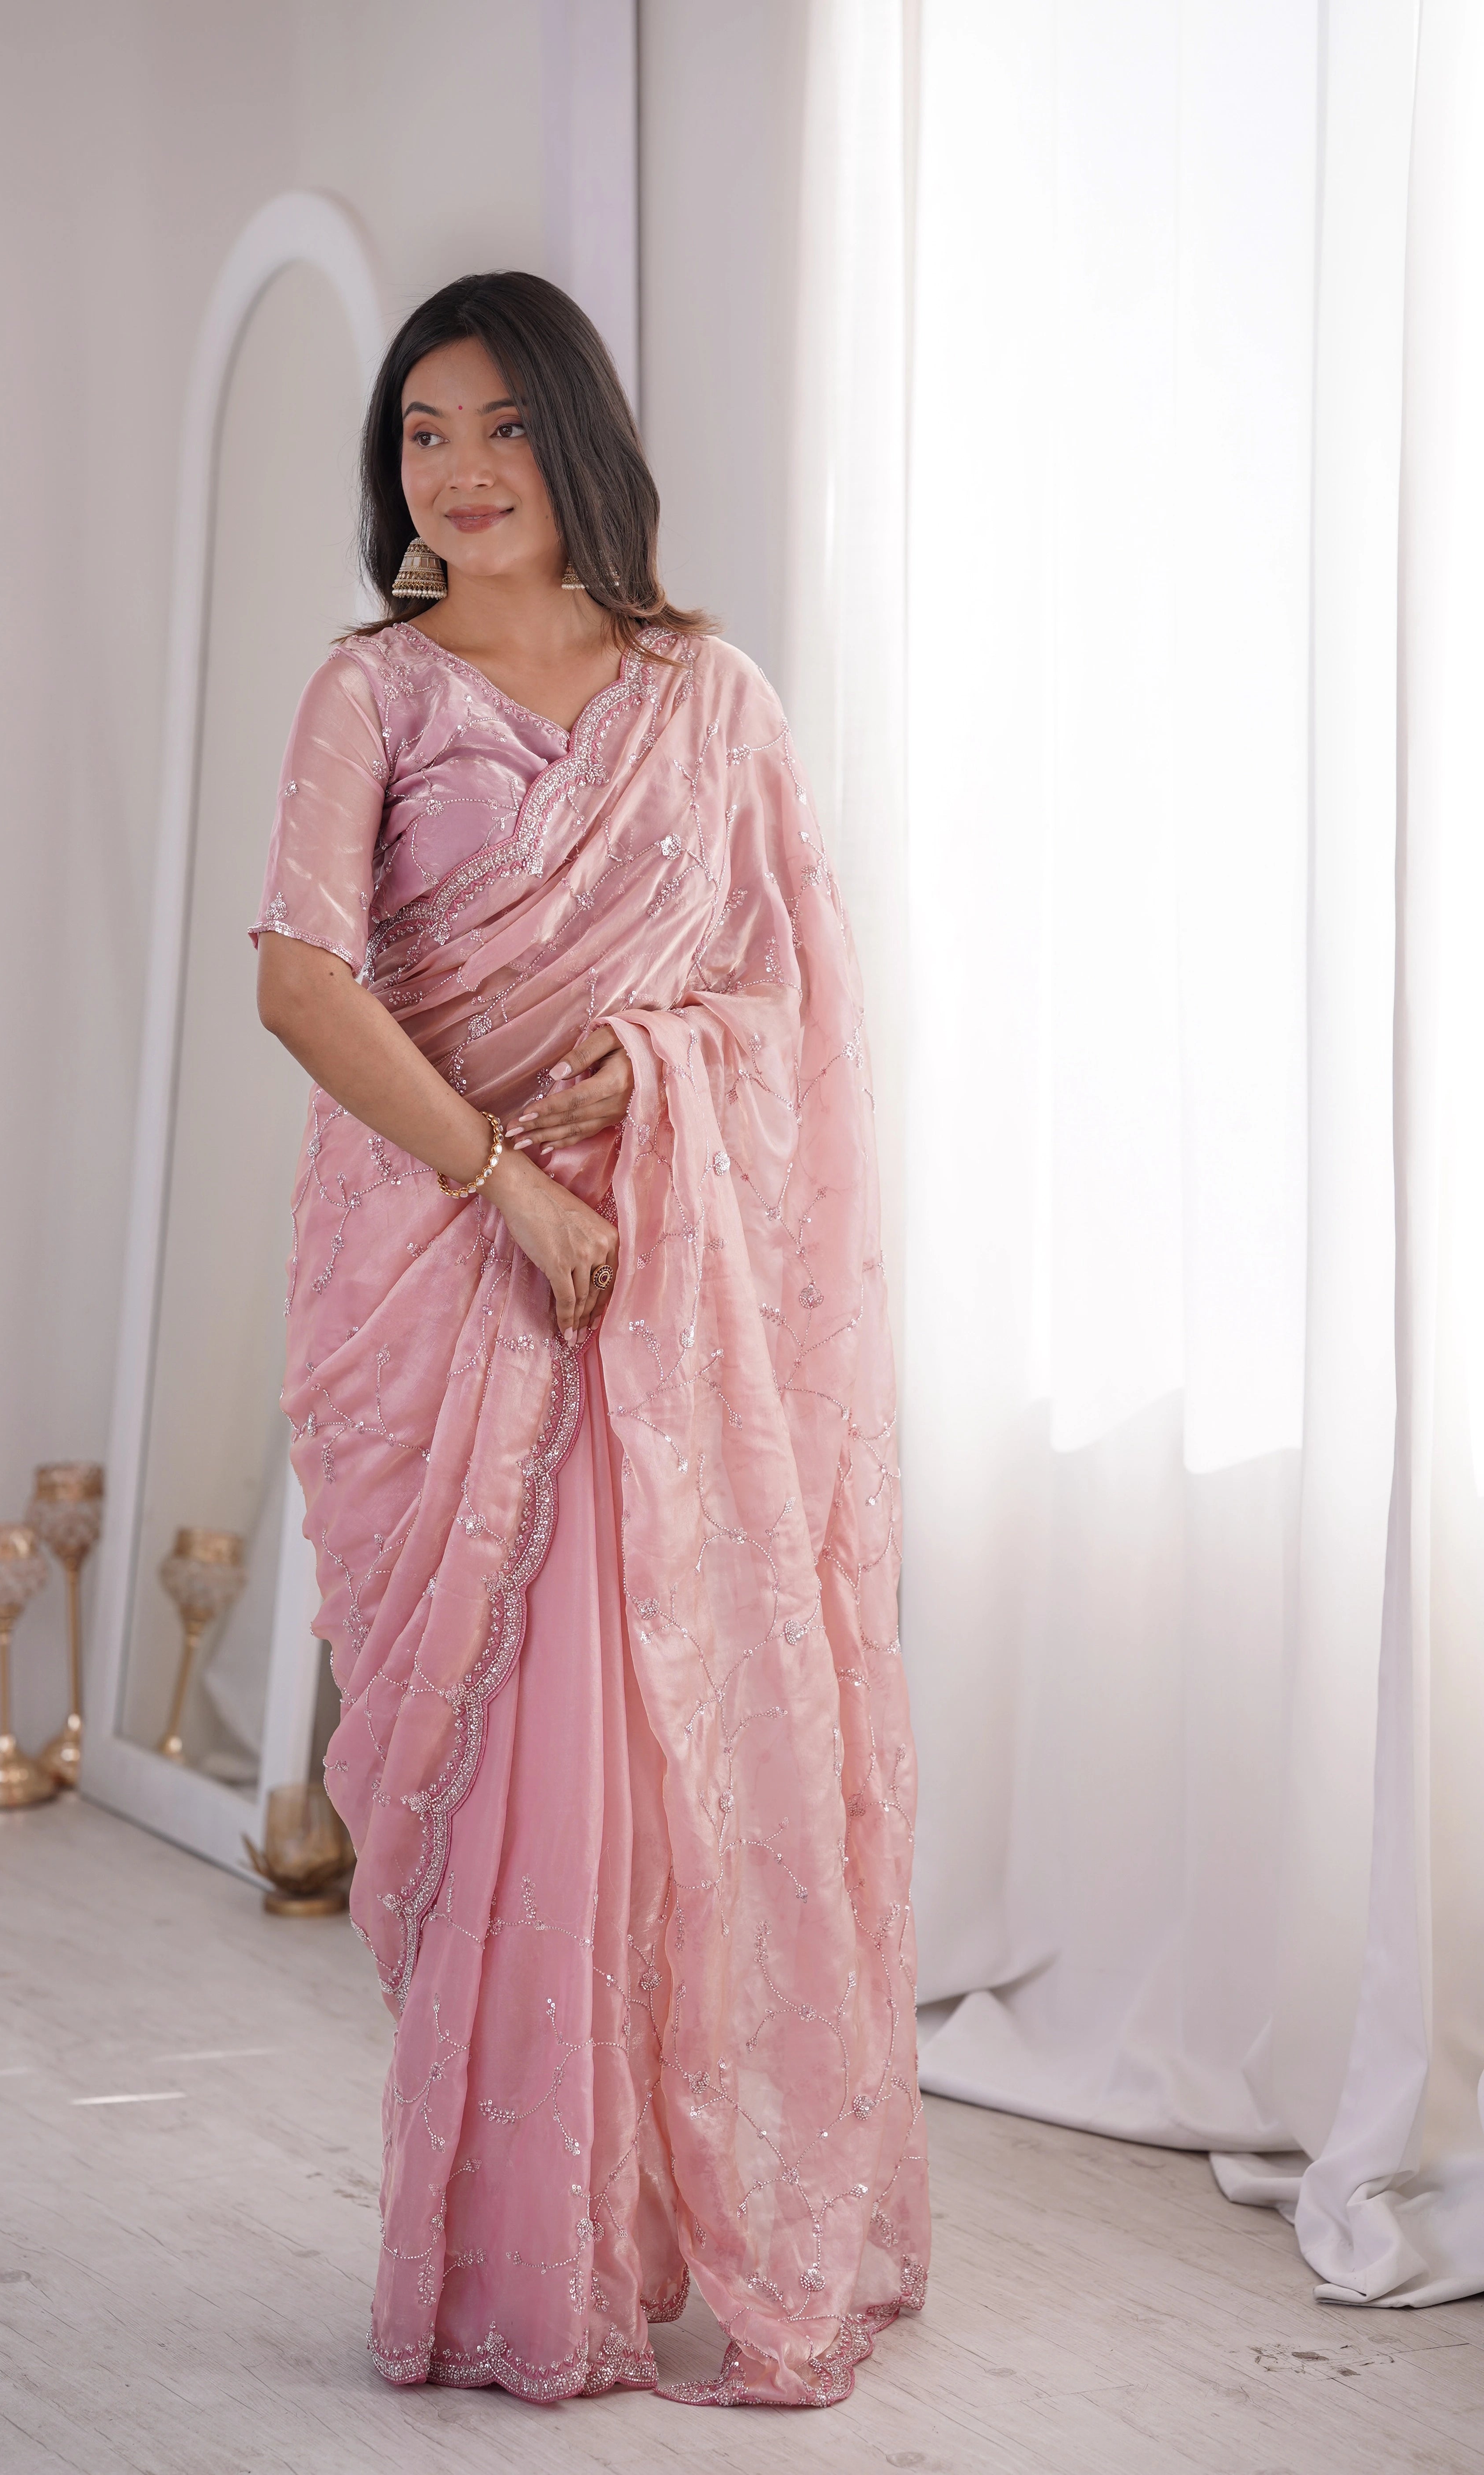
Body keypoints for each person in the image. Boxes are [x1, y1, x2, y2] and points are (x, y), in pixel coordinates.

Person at [252, 271, 928, 2409]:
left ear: (577, 437)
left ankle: (666, 2218)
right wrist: (501, 1174)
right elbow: (299, 980)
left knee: (665, 1745)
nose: (455, 476)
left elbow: (781, 1001)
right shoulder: (369, 690)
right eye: (419, 439)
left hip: (668, 1295)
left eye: (497, 430)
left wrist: (649, 1073)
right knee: (510, 1769)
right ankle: (515, 2262)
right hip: (448, 1270)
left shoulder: (705, 694)